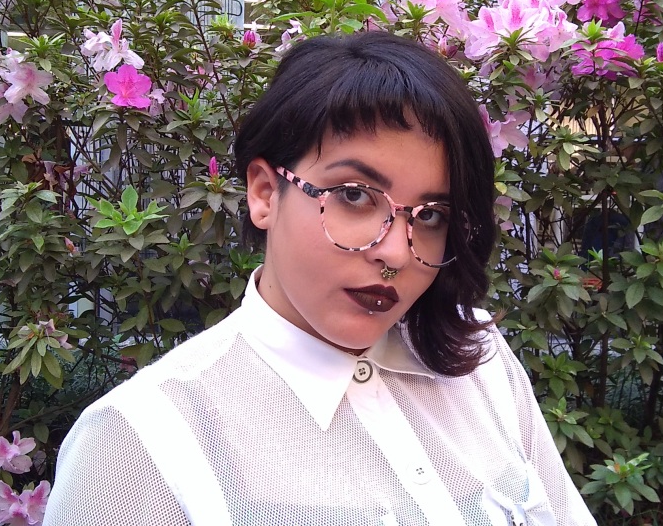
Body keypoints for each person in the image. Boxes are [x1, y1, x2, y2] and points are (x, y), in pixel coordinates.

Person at [43, 31, 596, 526]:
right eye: (354, 196)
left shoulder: (478, 360)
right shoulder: (136, 448)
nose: (396, 254)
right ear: (265, 193)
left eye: (431, 215)